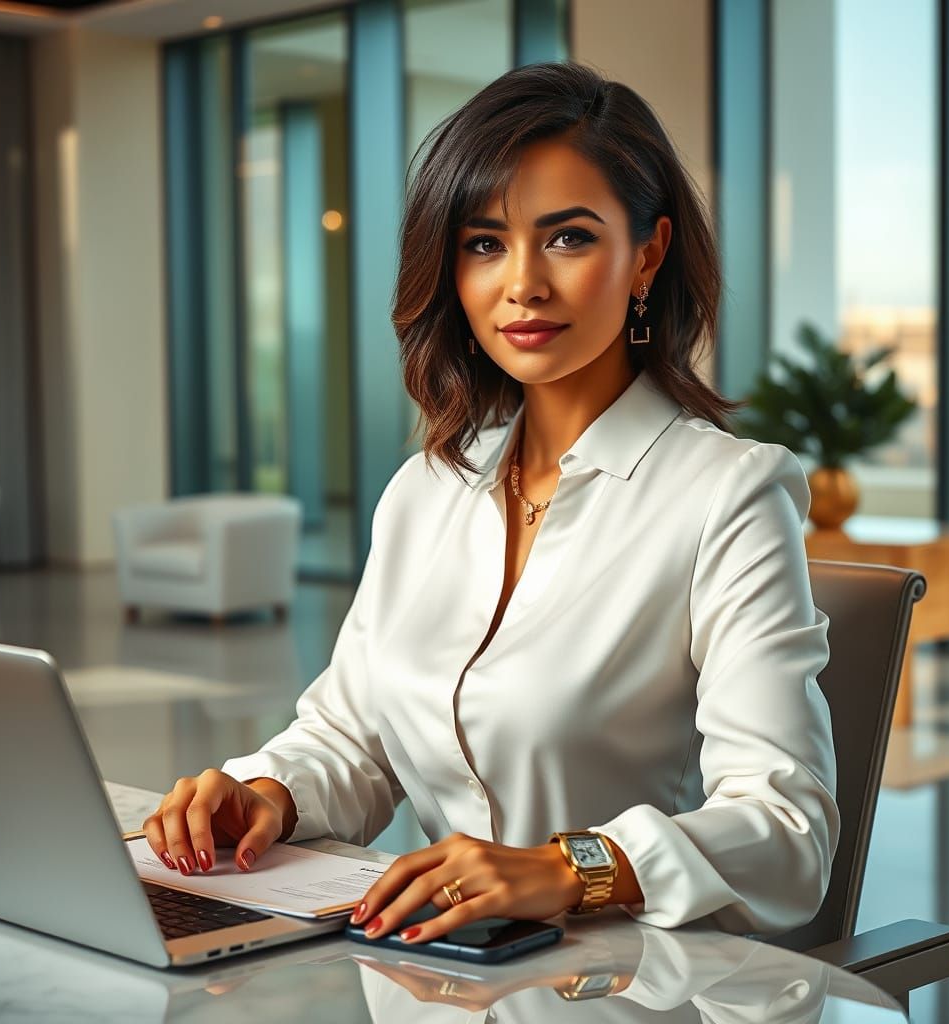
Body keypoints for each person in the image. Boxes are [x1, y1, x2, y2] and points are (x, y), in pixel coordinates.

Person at [142, 61, 838, 947]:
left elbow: (788, 833)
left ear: (647, 255)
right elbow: (354, 738)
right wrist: (266, 792)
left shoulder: (729, 495)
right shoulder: (426, 488)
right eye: (483, 243)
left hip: (630, 985)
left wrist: (564, 868)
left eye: (569, 238)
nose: (522, 285)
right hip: (438, 978)